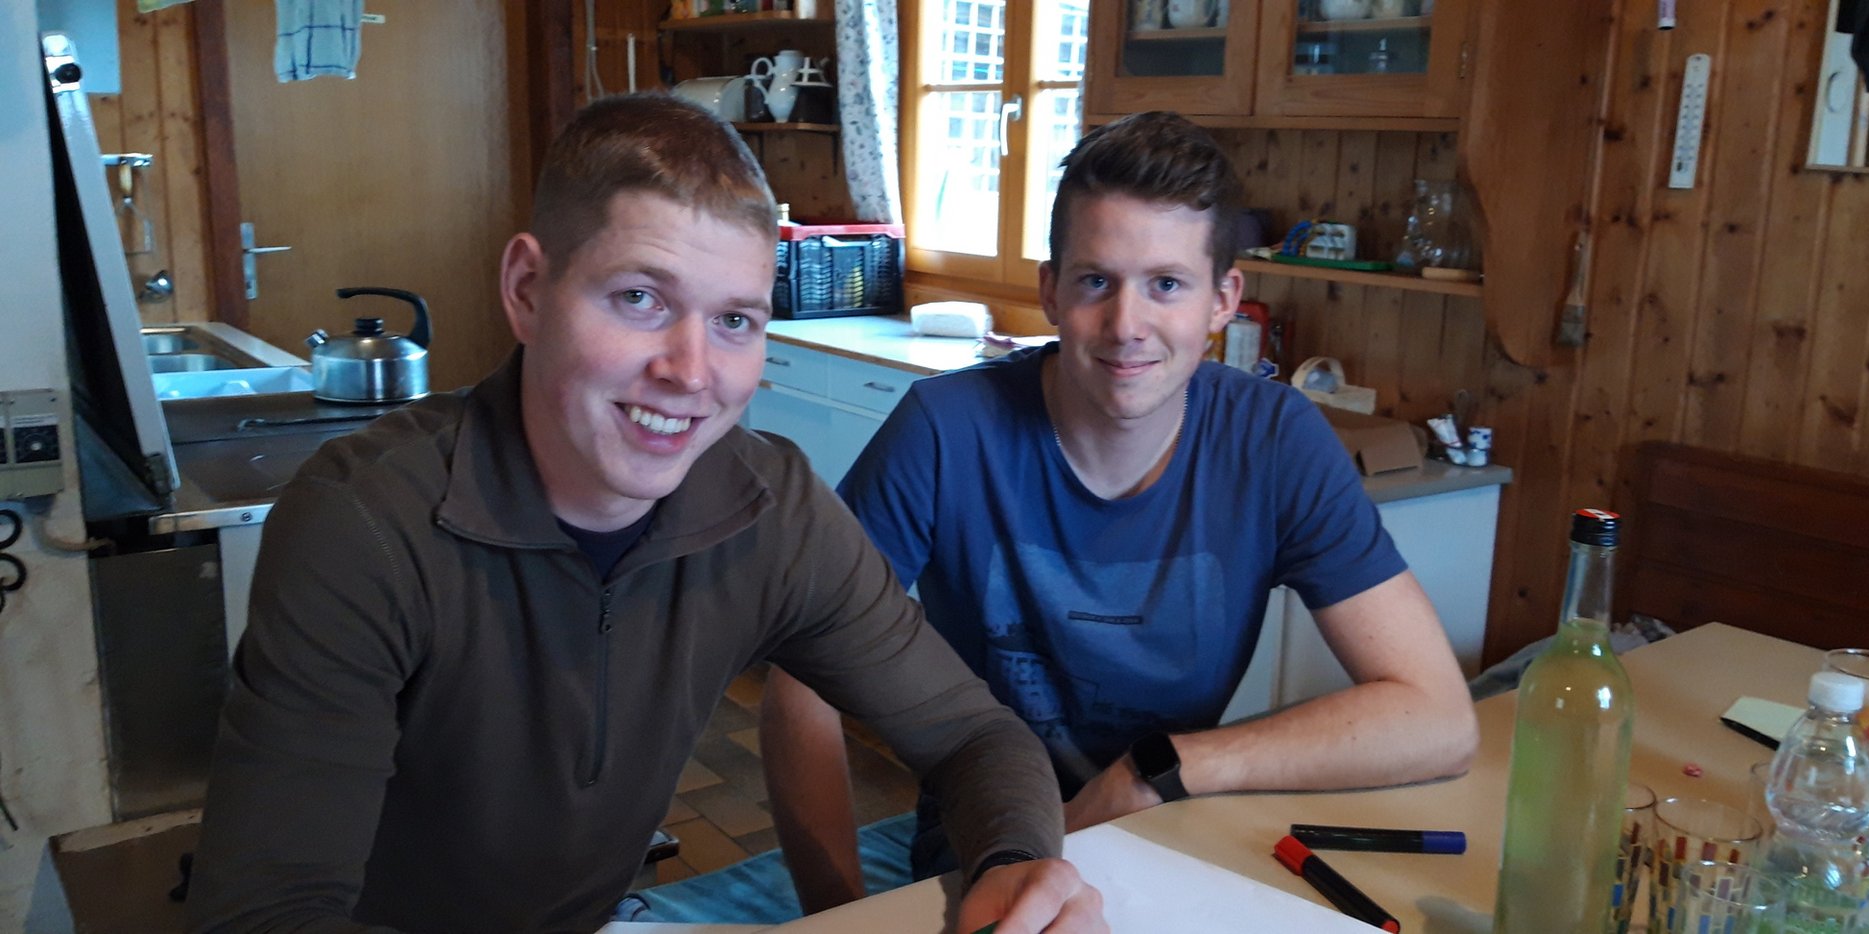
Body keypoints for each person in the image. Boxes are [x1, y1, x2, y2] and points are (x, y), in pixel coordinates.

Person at [185, 94, 1102, 934]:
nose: (691, 372)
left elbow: (973, 735)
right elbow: (265, 914)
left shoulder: (772, 508)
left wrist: (1017, 866)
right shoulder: (366, 525)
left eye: (735, 321)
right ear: (528, 290)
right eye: (639, 298)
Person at [761, 111, 1480, 912]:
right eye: (1096, 281)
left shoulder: (1276, 440)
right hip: (983, 858)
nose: (1126, 326)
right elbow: (802, 683)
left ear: (1223, 301)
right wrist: (835, 913)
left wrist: (1159, 769)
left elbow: (1439, 720)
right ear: (1050, 290)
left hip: (1176, 838)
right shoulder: (945, 429)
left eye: (1166, 284)